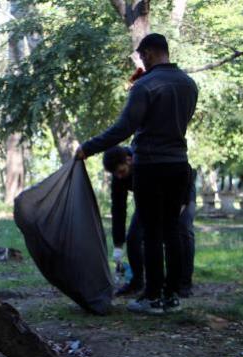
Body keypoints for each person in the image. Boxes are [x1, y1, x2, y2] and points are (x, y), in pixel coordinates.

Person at [76, 33, 198, 315]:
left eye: (142, 56)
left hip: (151, 167)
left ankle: (152, 297)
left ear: (150, 53)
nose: (141, 61)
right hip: (179, 165)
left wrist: (88, 148)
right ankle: (173, 296)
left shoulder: (145, 85)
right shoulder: (189, 84)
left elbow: (123, 128)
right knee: (172, 231)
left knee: (152, 232)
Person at [102, 146, 197, 298]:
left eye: (122, 171)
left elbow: (185, 170)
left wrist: (181, 205)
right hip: (148, 197)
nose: (119, 177)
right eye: (116, 174)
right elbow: (118, 209)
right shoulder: (119, 177)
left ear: (129, 160)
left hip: (180, 188)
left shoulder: (148, 156)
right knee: (134, 237)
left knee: (182, 230)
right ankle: (137, 281)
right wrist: (118, 244)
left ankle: (183, 283)